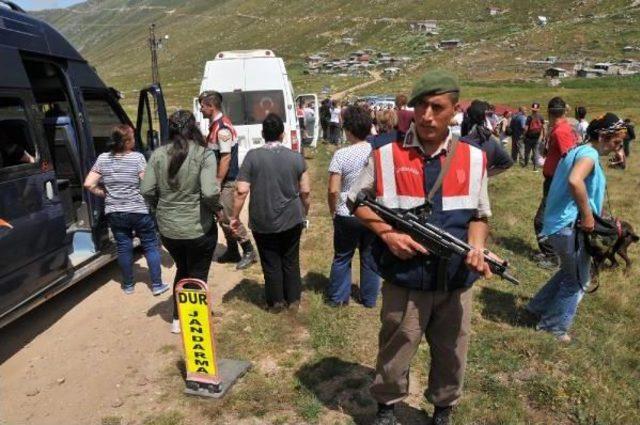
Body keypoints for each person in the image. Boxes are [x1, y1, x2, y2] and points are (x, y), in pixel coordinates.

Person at [349, 70, 492, 425]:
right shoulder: (384, 151)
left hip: (456, 279)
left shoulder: (474, 157)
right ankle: (386, 407)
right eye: (420, 107)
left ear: (455, 110)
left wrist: (476, 248)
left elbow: (480, 214)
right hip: (405, 276)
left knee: (452, 351)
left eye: (436, 107)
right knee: (397, 345)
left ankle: (443, 409)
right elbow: (356, 202)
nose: (426, 116)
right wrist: (388, 234)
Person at [526, 113, 625, 342]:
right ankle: (553, 327)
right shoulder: (589, 154)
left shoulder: (578, 150)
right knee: (579, 279)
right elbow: (574, 180)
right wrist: (589, 216)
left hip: (560, 223)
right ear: (602, 136)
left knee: (569, 271)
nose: (616, 148)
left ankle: (536, 307)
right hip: (569, 226)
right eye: (615, 142)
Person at [141, 110, 220, 334]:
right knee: (197, 273)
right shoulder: (204, 155)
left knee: (183, 268)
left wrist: (160, 207)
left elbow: (146, 189)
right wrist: (217, 210)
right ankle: (194, 324)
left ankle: (178, 318)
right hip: (198, 227)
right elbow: (210, 193)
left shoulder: (157, 154)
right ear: (194, 127)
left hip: (168, 228)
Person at [231, 113, 310, 312]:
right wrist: (304, 212)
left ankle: (276, 302)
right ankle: (293, 299)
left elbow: (241, 191)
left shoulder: (252, 157)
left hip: (263, 217)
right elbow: (305, 191)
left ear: (263, 133)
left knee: (270, 259)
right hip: (291, 217)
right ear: (282, 134)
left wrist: (234, 217)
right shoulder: (296, 157)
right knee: (290, 259)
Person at [84, 125, 168, 296]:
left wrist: (104, 193)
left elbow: (88, 184)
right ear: (127, 141)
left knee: (123, 247)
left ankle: (128, 285)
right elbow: (147, 185)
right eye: (133, 137)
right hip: (139, 210)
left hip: (115, 211)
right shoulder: (137, 158)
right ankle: (157, 285)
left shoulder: (103, 158)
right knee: (150, 246)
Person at [327, 106, 381, 308]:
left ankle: (338, 298)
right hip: (373, 211)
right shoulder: (377, 152)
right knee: (370, 256)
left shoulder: (341, 155)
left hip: (346, 211)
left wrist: (333, 210)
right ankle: (369, 298)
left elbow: (333, 190)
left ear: (347, 130)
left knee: (342, 256)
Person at [198, 91, 257, 270]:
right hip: (222, 180)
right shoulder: (215, 126)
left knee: (229, 218)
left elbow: (225, 158)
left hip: (227, 180)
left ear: (211, 106)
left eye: (202, 105)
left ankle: (248, 250)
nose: (200, 109)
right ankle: (232, 251)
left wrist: (217, 181)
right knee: (221, 217)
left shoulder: (222, 128)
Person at [533, 97, 578, 269]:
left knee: (541, 220)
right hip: (555, 180)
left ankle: (551, 256)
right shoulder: (562, 128)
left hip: (556, 182)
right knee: (553, 218)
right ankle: (553, 252)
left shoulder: (560, 132)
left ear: (549, 112)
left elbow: (570, 158)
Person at [460, 100, 514, 176]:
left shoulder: (460, 143)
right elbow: (508, 162)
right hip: (481, 184)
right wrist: (485, 175)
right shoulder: (490, 141)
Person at [523, 102, 546, 171]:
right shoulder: (541, 117)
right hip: (537, 138)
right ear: (538, 109)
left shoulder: (529, 117)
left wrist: (523, 135)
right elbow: (544, 127)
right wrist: (544, 137)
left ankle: (526, 165)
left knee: (527, 152)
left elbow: (526, 128)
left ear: (532, 109)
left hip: (528, 137)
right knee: (535, 152)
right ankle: (535, 167)